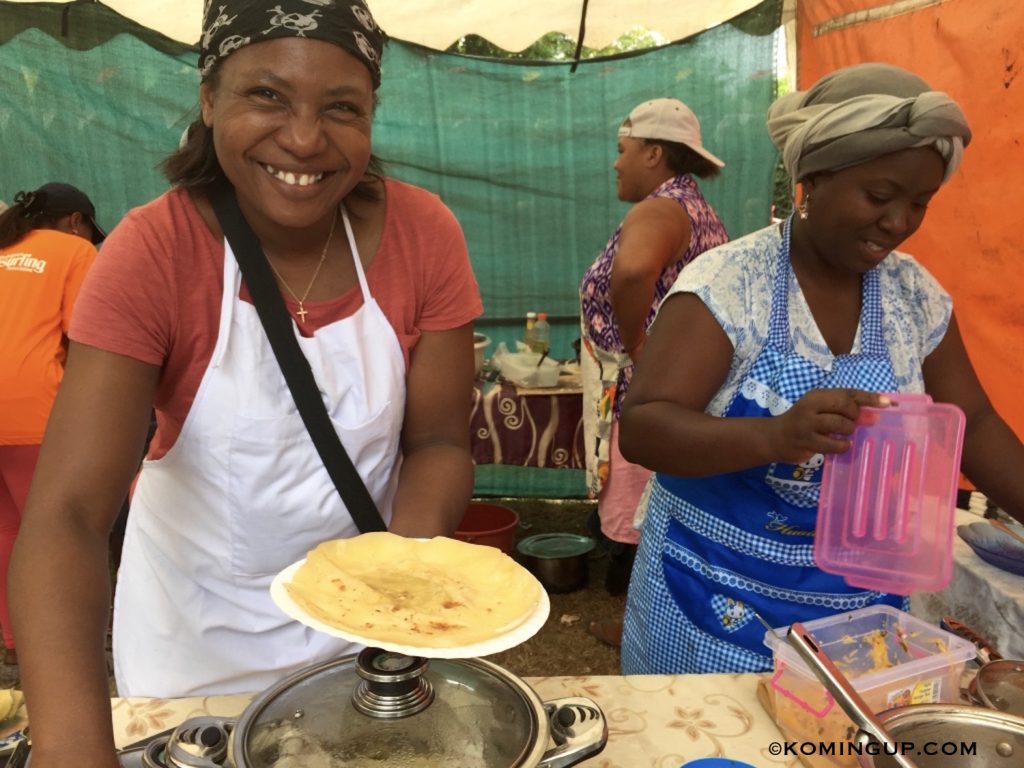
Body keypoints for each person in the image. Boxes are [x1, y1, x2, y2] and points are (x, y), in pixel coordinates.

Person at [10, 1, 481, 764]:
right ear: (208, 98)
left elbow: (435, 443)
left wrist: (393, 599)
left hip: (365, 650)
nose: (303, 138)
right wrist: (73, 749)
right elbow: (65, 515)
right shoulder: (154, 254)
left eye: (341, 108)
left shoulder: (425, 236)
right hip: (195, 659)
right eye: (267, 95)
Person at [617, 62, 1024, 675]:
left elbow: (975, 420)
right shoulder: (732, 285)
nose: (900, 222)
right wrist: (775, 435)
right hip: (715, 600)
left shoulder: (914, 297)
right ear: (813, 177)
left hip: (853, 614)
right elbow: (646, 427)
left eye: (920, 202)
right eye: (881, 196)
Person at [579, 98, 728, 643]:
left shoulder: (661, 210)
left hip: (649, 386)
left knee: (645, 500)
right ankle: (653, 609)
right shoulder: (697, 210)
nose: (616, 163)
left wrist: (640, 345)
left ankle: (641, 616)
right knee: (663, 496)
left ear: (654, 152)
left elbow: (634, 272)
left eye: (623, 151)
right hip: (677, 385)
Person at [0, 182, 104, 668]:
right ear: (76, 222)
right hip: (31, 409)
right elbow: (89, 337)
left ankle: (15, 640)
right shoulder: (75, 250)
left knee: (7, 530)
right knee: (61, 531)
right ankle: (72, 645)